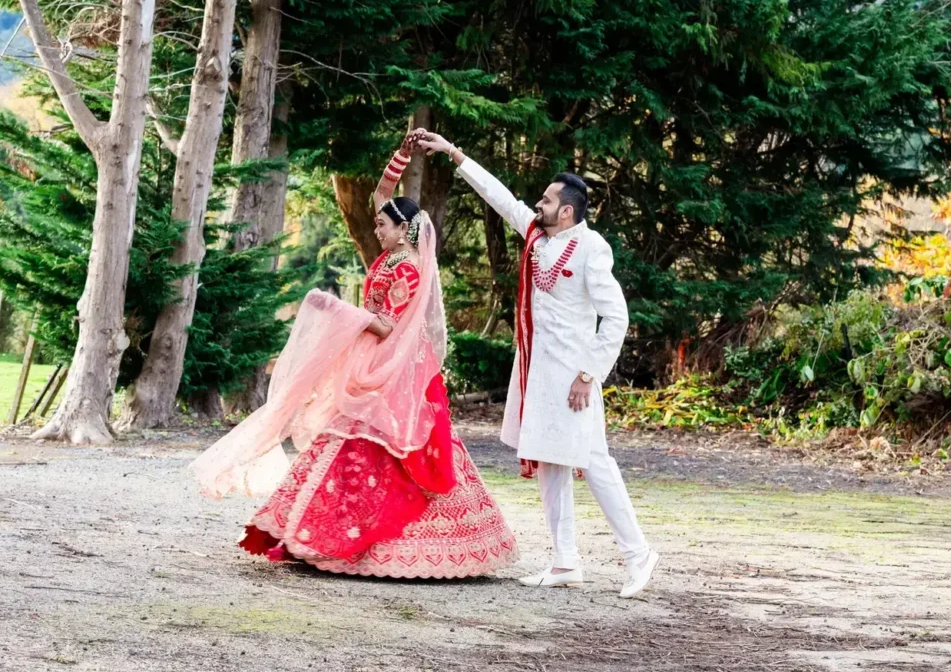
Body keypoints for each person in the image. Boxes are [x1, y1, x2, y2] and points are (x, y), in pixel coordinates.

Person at [191, 135, 517, 579]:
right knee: (346, 434)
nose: (376, 228)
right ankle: (309, 532)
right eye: (379, 224)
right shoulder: (391, 254)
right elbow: (382, 196)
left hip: (394, 365)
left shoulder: (406, 266)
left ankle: (380, 544)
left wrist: (337, 310)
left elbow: (385, 326)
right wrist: (403, 153)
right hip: (374, 359)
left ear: (404, 230)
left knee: (387, 441)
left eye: (384, 226)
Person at [412, 128, 658, 598]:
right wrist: (454, 151)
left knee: (594, 462)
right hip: (537, 376)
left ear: (566, 210)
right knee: (549, 465)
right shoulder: (537, 237)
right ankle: (565, 561)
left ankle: (638, 554)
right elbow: (500, 197)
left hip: (575, 380)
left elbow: (617, 317)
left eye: (546, 200)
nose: (537, 204)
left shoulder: (591, 248)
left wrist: (590, 374)